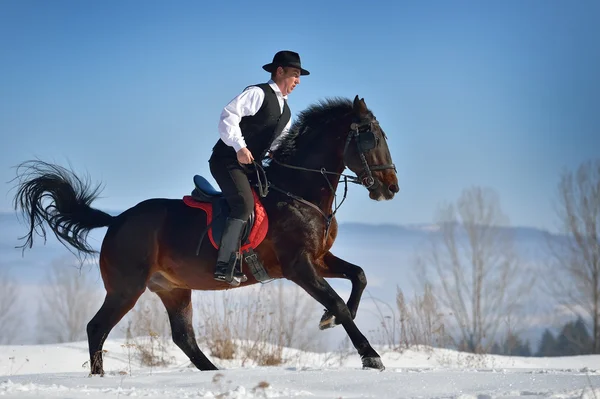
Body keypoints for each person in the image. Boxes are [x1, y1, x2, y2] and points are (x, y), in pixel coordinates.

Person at [208, 50, 310, 285]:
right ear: (280, 71)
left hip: (250, 169)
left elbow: (276, 145)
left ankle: (252, 259)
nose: (298, 81)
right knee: (243, 204)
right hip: (227, 161)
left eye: (299, 76)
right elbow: (228, 116)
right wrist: (239, 147)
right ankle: (224, 265)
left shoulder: (286, 112)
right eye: (295, 74)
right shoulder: (257, 93)